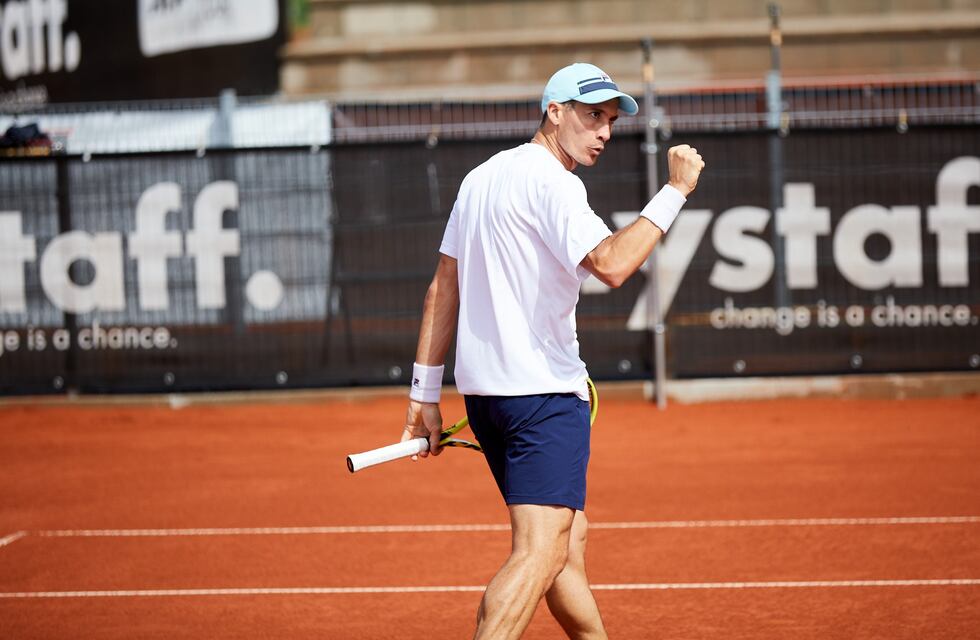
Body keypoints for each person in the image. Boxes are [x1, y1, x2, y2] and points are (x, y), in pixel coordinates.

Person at [401, 62, 705, 639]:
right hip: (542, 398)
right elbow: (613, 264)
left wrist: (424, 393)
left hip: (491, 401)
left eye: (611, 121)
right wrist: (675, 191)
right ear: (554, 112)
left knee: (566, 546)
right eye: (593, 117)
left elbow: (444, 285)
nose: (604, 133)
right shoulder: (555, 182)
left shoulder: (480, 177)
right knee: (539, 554)